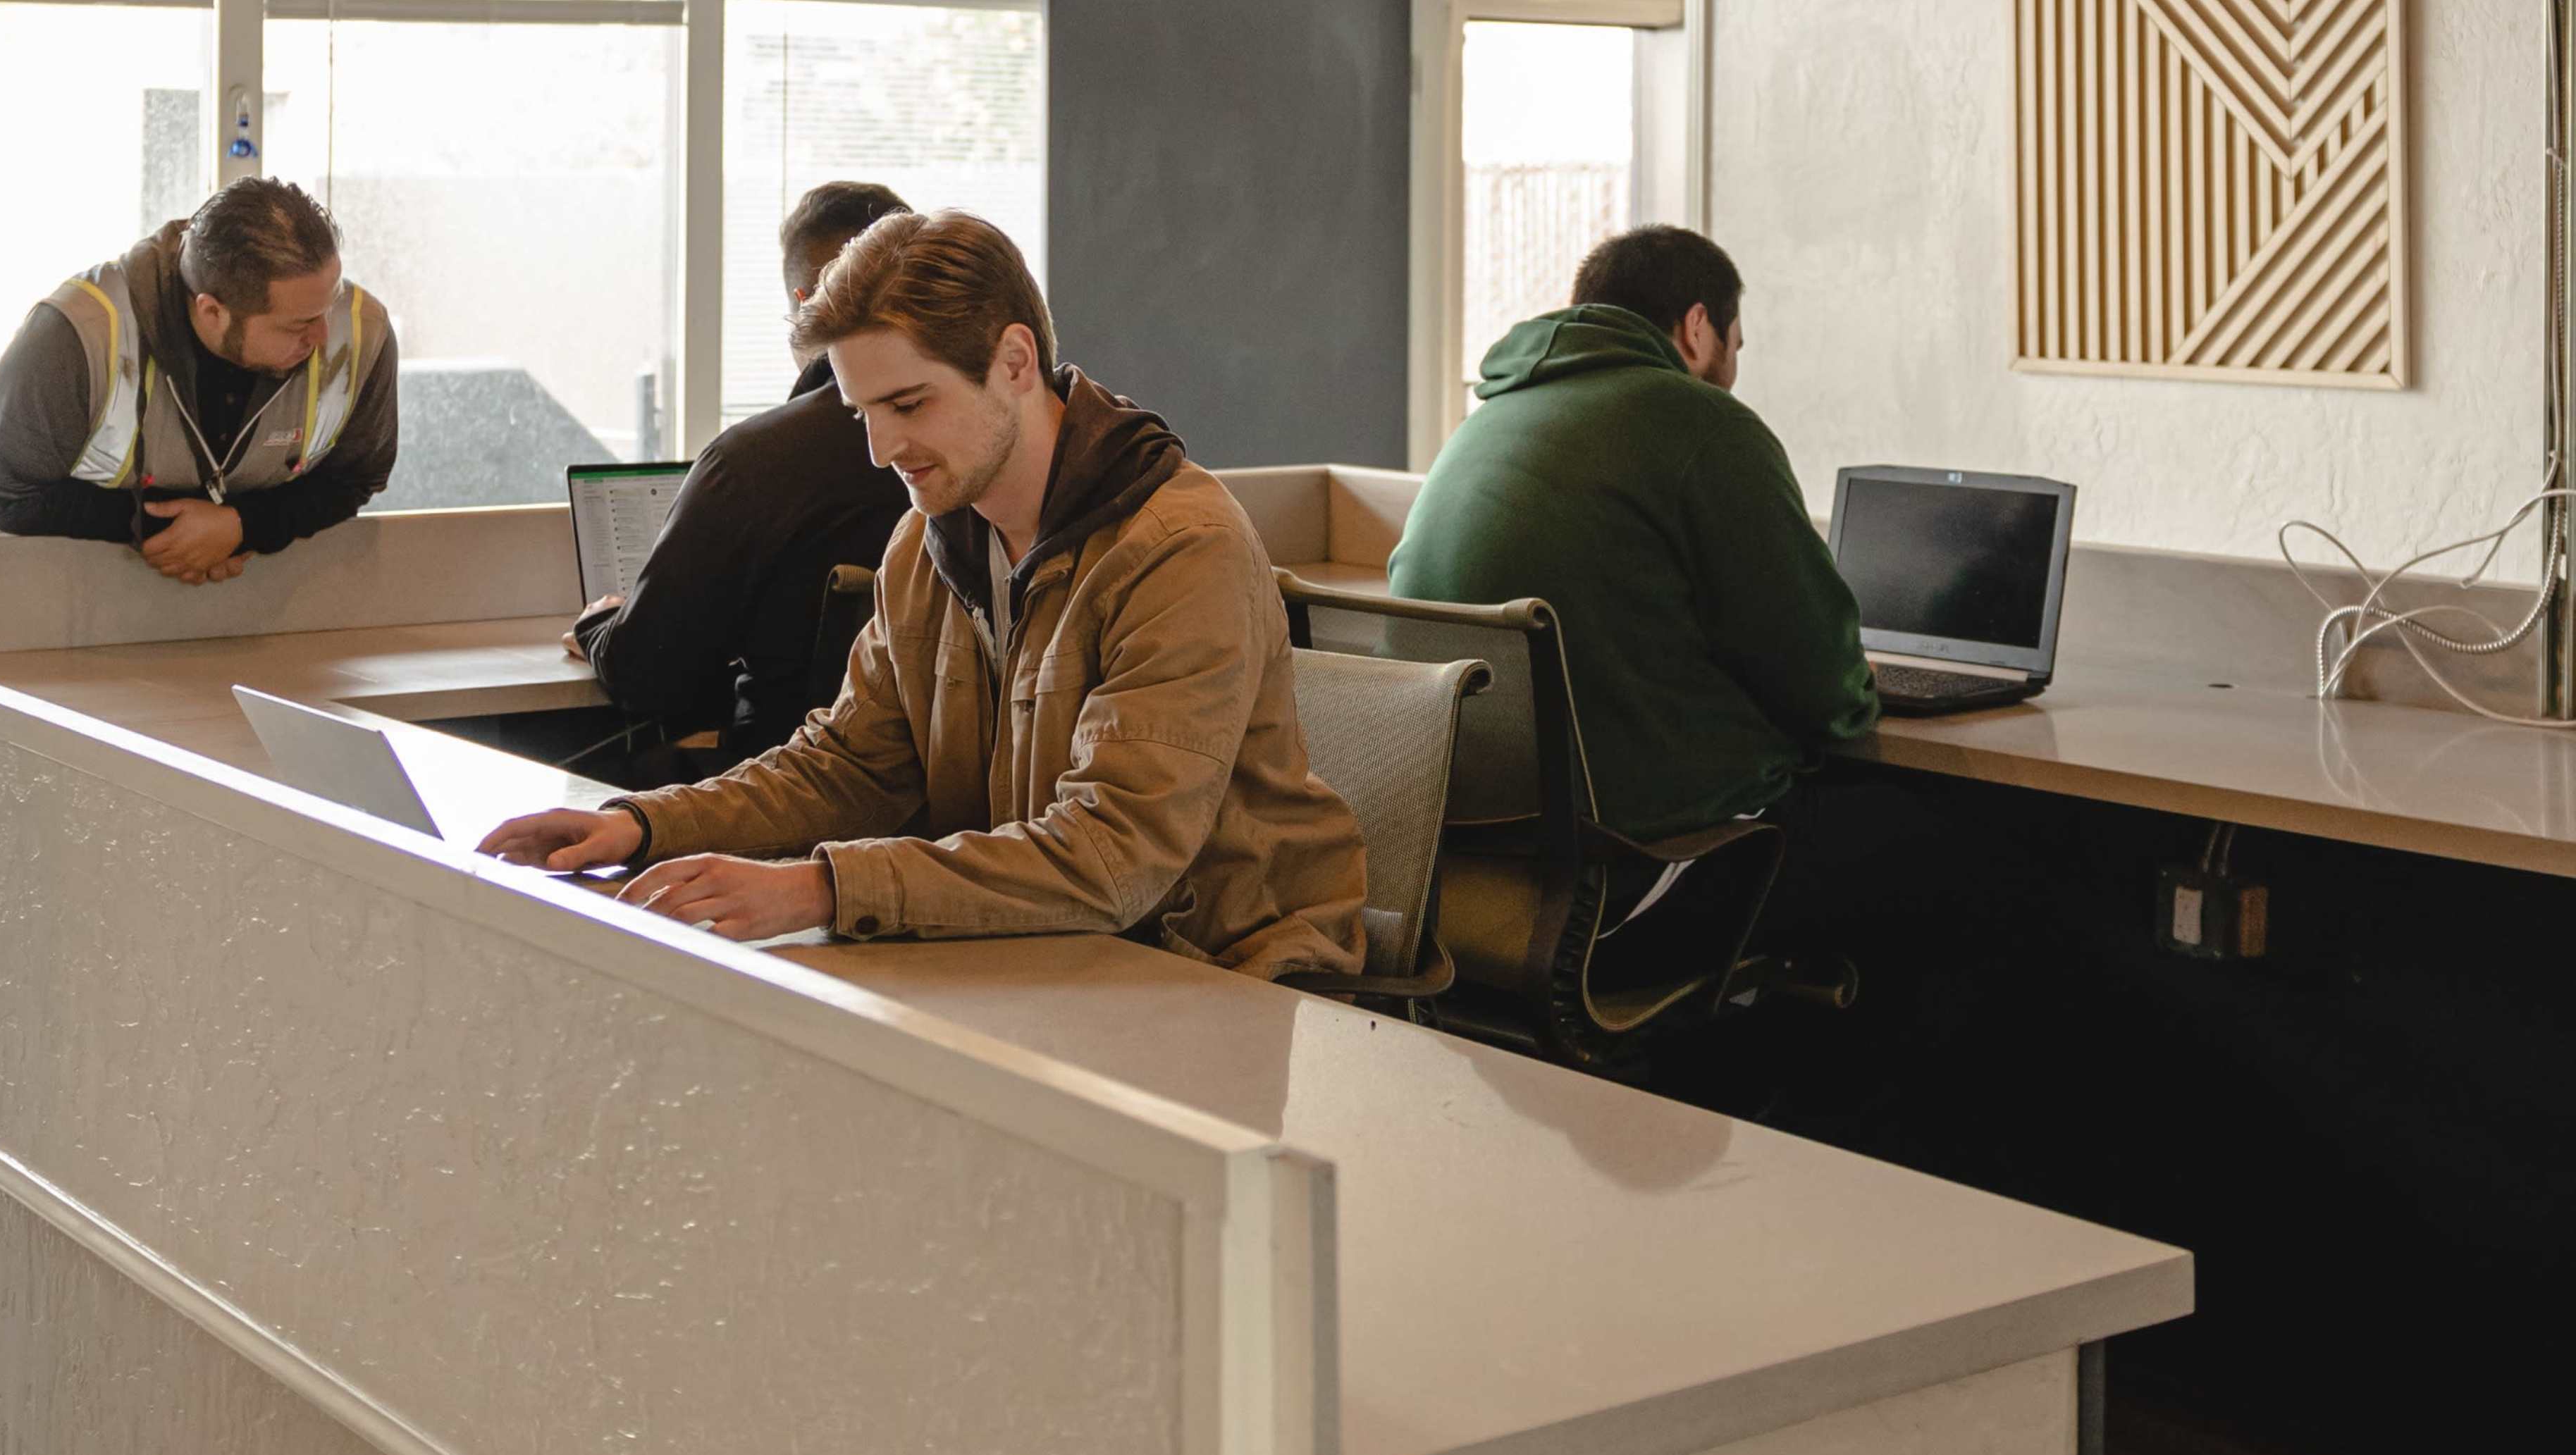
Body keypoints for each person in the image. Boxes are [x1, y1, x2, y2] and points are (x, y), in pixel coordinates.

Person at [483, 209, 1367, 982]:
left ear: (1015, 361)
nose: (880, 448)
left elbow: (1112, 857)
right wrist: (645, 825)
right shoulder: (931, 537)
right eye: (862, 410)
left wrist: (821, 886)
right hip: (1054, 953)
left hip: (1222, 975)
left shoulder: (1179, 549)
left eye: (909, 403)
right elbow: (849, 766)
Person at [1388, 223, 1875, 842]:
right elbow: (1821, 687)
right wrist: (1861, 692)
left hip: (1462, 847)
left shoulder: (1486, 421)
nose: (1731, 373)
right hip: (1634, 844)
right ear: (1699, 328)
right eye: (1736, 347)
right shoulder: (1706, 426)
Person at [568, 179, 915, 754]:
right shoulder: (973, 455)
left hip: (781, 784)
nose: (888, 447)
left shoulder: (752, 463)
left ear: (806, 309)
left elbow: (647, 673)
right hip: (930, 801)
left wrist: (600, 624)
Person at [0, 176, 399, 585]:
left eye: (330, 304)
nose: (325, 336)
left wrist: (243, 527)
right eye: (298, 325)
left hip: (277, 612)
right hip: (88, 610)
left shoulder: (363, 330)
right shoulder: (79, 333)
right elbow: (2, 494)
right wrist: (164, 532)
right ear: (212, 311)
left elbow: (359, 478)